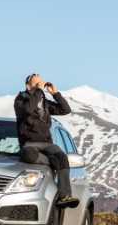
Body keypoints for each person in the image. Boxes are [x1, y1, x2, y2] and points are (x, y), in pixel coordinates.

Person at [14, 73, 79, 209]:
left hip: (47, 143)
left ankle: (64, 196)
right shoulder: (21, 100)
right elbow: (28, 109)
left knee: (61, 157)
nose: (40, 85)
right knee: (29, 155)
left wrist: (55, 93)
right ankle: (53, 163)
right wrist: (38, 90)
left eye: (41, 83)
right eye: (37, 83)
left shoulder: (44, 102)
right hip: (29, 144)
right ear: (28, 86)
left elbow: (65, 110)